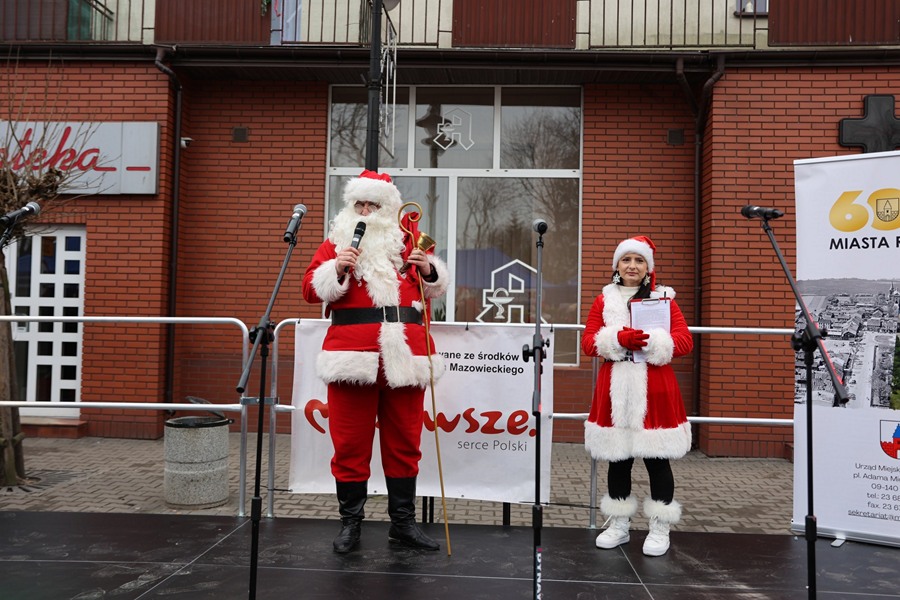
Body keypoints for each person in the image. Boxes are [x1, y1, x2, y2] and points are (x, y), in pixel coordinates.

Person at [302, 169, 449, 554]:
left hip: (406, 356)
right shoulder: (335, 243)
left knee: (405, 443)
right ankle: (350, 524)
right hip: (351, 358)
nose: (365, 211)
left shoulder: (409, 240)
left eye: (373, 204)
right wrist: (335, 268)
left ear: (388, 208)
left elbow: (436, 287)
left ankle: (403, 524)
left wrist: (428, 269)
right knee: (350, 443)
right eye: (359, 204)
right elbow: (309, 289)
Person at [581, 235, 692, 557]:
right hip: (616, 392)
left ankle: (660, 527)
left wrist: (651, 341)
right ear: (617, 265)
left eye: (639, 260)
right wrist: (618, 338)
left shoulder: (664, 299)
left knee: (657, 461)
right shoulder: (604, 300)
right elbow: (588, 343)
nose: (632, 266)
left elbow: (684, 341)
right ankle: (619, 524)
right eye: (626, 259)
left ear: (648, 267)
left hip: (654, 390)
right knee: (618, 460)